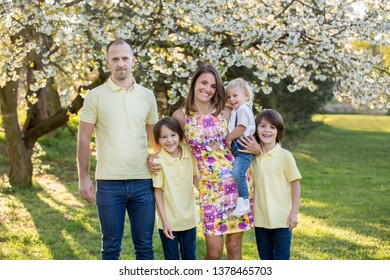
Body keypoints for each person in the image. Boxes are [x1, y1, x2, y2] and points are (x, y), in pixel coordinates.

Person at [149, 64, 254, 260]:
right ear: (194, 82)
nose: (208, 89)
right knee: (214, 252)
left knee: (233, 247)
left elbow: (247, 132)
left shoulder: (227, 110)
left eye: (213, 86)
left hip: (237, 185)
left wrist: (256, 148)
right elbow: (171, 144)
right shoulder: (181, 116)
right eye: (204, 82)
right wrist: (152, 156)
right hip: (208, 188)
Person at [77, 39, 159, 260]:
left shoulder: (147, 95)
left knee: (144, 246)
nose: (120, 63)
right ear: (108, 63)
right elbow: (83, 139)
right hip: (108, 183)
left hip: (143, 181)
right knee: (111, 247)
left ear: (133, 60)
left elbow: (156, 140)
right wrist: (83, 177)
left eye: (125, 58)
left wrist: (158, 160)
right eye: (115, 59)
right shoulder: (95, 96)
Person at [238, 109, 302, 260]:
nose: (267, 130)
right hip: (260, 221)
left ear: (278, 132)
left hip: (282, 221)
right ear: (256, 129)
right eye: (263, 126)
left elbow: (295, 185)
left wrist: (294, 212)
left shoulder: (285, 156)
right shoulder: (251, 157)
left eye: (272, 127)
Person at [152, 117, 199, 260]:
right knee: (171, 259)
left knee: (189, 257)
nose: (169, 140)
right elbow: (158, 191)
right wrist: (164, 221)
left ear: (180, 136)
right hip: (168, 222)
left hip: (189, 219)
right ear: (158, 140)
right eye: (164, 137)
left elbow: (195, 178)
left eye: (173, 135)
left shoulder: (189, 155)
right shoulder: (157, 161)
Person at [225, 78, 256, 217]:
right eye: (228, 96)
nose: (231, 99)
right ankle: (241, 201)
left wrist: (229, 138)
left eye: (235, 95)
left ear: (246, 96)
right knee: (237, 173)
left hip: (242, 145)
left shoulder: (243, 109)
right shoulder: (237, 109)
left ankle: (243, 202)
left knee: (238, 174)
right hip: (239, 146)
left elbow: (242, 127)